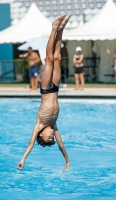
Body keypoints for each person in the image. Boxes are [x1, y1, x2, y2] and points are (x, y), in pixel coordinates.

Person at [17, 14, 71, 172]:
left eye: (49, 136)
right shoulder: (53, 124)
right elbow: (61, 145)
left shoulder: (39, 124)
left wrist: (23, 160)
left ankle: (54, 27)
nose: (52, 135)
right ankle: (61, 30)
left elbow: (30, 144)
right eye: (52, 137)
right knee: (58, 57)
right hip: (56, 88)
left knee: (49, 59)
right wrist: (67, 161)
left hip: (47, 89)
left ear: (41, 134)